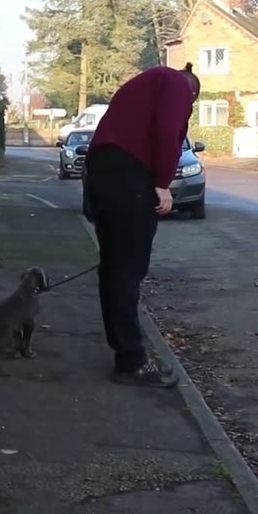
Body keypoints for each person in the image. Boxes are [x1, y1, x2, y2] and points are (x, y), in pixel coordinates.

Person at [83, 62, 200, 387]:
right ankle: (131, 361)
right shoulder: (178, 86)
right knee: (127, 268)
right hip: (127, 177)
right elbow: (166, 130)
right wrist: (163, 183)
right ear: (192, 94)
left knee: (113, 266)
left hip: (104, 172)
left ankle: (125, 351)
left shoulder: (151, 82)